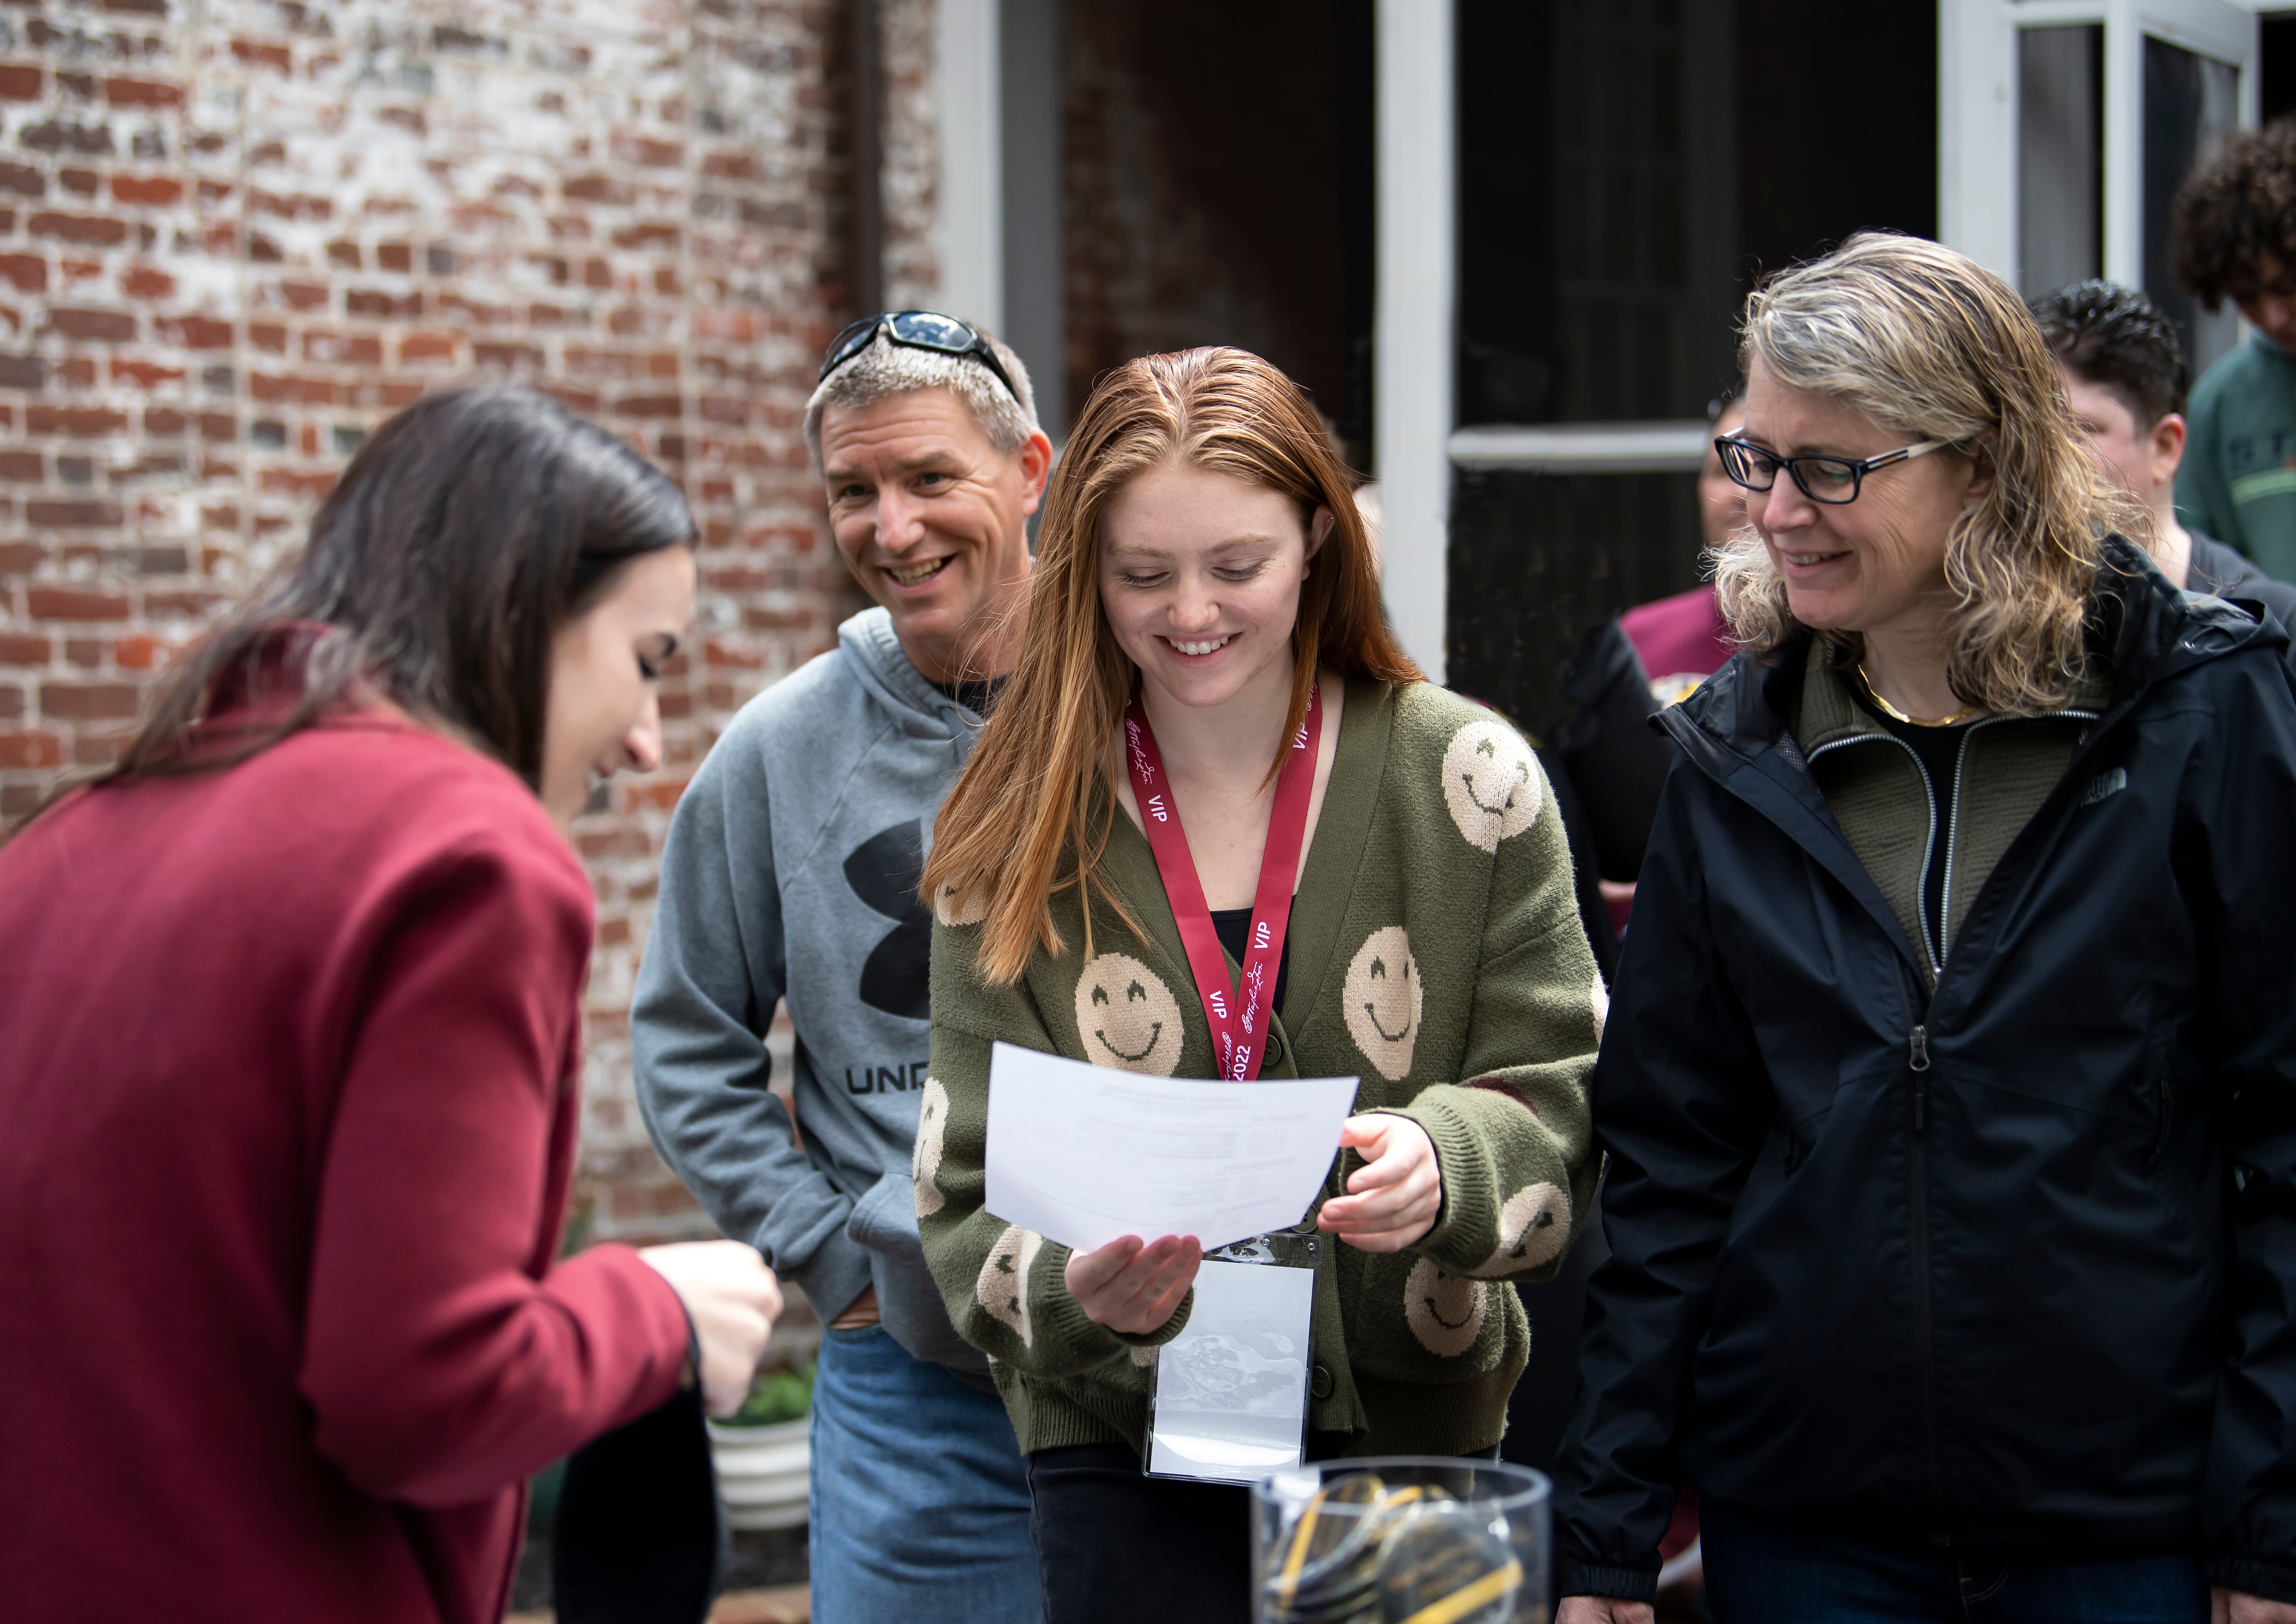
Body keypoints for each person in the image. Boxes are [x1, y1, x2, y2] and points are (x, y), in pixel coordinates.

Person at [0, 385, 783, 1623]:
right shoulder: (464, 859)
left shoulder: (6, 884)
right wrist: (656, 1308)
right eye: (645, 663)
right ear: (517, 608)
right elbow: (425, 1389)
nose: (643, 740)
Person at [1555, 233, 2296, 1624]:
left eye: (1832, 467)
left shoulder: (2200, 707)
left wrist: (2267, 1527)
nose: (1775, 509)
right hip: (1806, 1526)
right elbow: (1669, 1170)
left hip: (2127, 1527)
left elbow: (2283, 1129)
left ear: (1984, 463)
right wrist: (1602, 1532)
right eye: (1754, 457)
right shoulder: (1727, 760)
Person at [917, 346, 1606, 1624]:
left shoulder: (1472, 780)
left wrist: (1444, 1157)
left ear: (1321, 548)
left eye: (1238, 566)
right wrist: (1078, 1290)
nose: (1192, 612)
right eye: (1143, 573)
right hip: (1123, 1452)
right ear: (1084, 576)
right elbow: (958, 1193)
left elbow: (1566, 1102)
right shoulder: (1012, 825)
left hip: (1415, 1438)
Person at [632, 312, 1051, 1623]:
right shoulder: (778, 750)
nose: (893, 525)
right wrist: (833, 1255)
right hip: (918, 1387)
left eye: (931, 477)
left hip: (1171, 1363)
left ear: (1029, 470)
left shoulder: (1153, 701)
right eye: (853, 491)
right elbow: (687, 1039)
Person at [2032, 278, 2296, 651]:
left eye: (2080, 431)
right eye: (2032, 431)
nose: (2046, 454)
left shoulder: (2266, 631)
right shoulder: (2004, 629)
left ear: (2165, 447)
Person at [2173, 116, 2296, 579]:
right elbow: (2202, 576)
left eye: (2286, 286)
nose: (2272, 316)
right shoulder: (2219, 404)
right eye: (2247, 297)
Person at [1619, 391, 1747, 703]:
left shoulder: (1857, 644)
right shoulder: (1639, 640)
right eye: (1722, 471)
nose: (1741, 491)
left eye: (1764, 469)